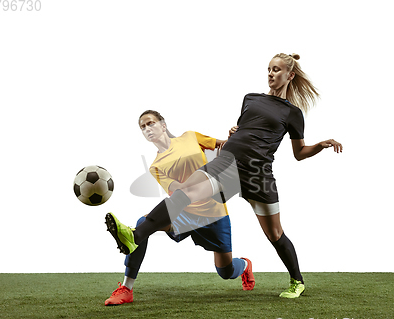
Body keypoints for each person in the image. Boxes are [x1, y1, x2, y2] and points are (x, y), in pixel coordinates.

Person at [106, 53, 343, 299]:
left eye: (277, 70)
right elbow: (244, 129)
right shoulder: (250, 99)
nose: (271, 74)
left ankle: (297, 281)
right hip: (228, 163)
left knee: (275, 234)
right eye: (269, 69)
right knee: (186, 192)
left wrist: (321, 145)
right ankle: (134, 236)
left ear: (290, 75)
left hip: (258, 173)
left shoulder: (293, 113)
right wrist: (234, 131)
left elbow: (299, 152)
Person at [104, 110, 255, 306]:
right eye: (143, 127)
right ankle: (126, 288)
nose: (147, 128)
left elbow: (223, 146)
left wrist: (232, 135)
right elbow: (176, 191)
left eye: (150, 123)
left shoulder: (190, 137)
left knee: (225, 271)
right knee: (142, 224)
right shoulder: (155, 166)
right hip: (186, 212)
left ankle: (244, 265)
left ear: (163, 125)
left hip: (214, 212)